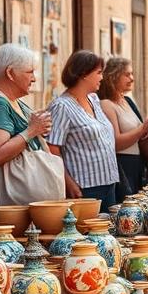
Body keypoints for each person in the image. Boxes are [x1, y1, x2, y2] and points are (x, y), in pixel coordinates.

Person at [0, 44, 52, 232]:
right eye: (29, 72)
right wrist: (31, 131)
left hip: (10, 193)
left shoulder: (10, 101)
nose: (34, 78)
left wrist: (36, 130)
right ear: (10, 73)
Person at [47, 50, 119, 211]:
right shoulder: (61, 106)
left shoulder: (93, 99)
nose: (102, 77)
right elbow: (52, 149)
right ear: (84, 74)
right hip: (84, 187)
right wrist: (68, 182)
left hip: (109, 182)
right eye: (99, 73)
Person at [99, 57, 148, 199]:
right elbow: (115, 143)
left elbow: (140, 133)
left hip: (138, 164)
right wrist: (145, 126)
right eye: (127, 74)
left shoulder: (127, 101)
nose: (132, 78)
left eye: (132, 74)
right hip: (122, 165)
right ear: (113, 76)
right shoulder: (106, 104)